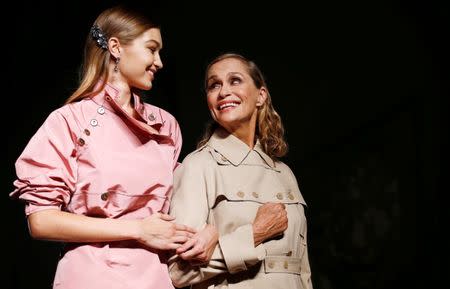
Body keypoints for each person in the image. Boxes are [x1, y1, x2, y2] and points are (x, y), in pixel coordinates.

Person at [10, 5, 196, 289]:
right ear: (116, 47)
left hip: (156, 277)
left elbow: (183, 204)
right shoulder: (70, 120)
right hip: (93, 276)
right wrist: (138, 230)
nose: (159, 62)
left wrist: (211, 234)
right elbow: (41, 221)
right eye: (151, 49)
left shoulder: (165, 124)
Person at [168, 53, 313, 289]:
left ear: (261, 95)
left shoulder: (284, 173)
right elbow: (178, 273)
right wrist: (254, 233)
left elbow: (302, 272)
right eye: (214, 85)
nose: (223, 91)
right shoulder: (198, 166)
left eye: (235, 80)